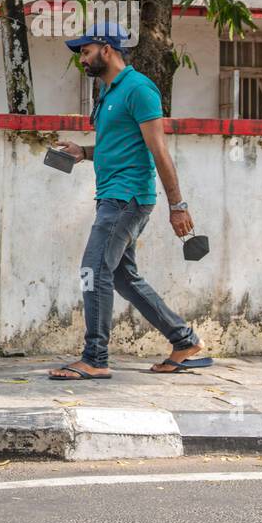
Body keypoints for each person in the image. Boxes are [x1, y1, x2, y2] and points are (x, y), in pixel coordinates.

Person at [48, 22, 208, 380]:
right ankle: (184, 341)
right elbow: (116, 146)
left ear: (107, 49)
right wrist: (83, 152)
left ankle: (95, 357)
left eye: (86, 51)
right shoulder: (108, 93)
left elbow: (158, 150)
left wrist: (178, 205)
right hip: (113, 195)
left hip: (127, 198)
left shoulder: (138, 89)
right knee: (122, 277)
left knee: (94, 269)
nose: (82, 60)